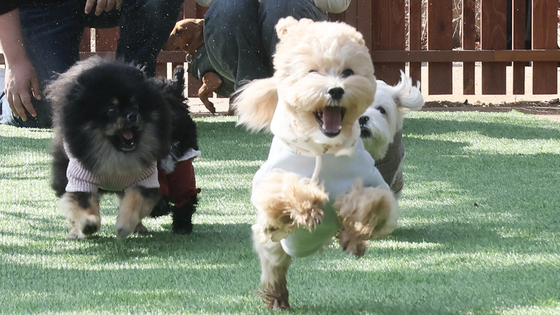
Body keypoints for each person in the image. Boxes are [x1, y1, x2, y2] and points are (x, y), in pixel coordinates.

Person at [0, 0, 184, 128]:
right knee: (49, 112)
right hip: (43, 6)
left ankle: (134, 93)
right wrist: (15, 62)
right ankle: (4, 89)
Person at [196, 0, 352, 91]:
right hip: (232, 40)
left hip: (299, 27)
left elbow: (338, 3)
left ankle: (289, 91)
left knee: (282, 4)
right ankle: (251, 92)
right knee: (230, 6)